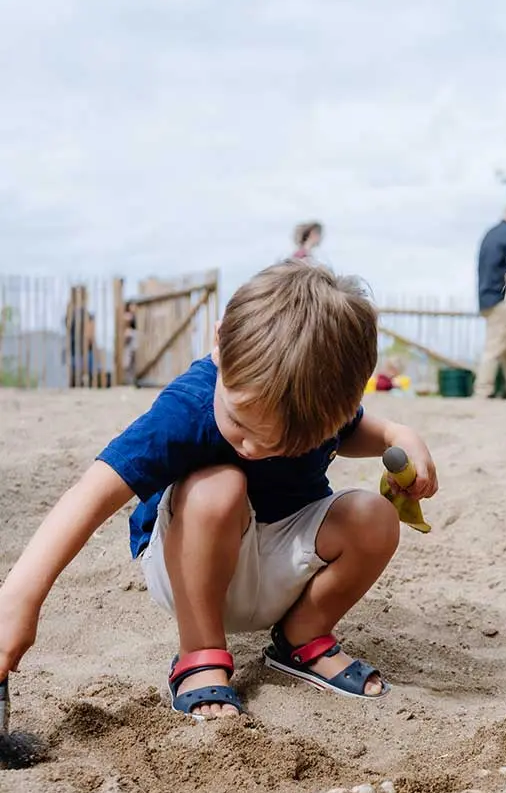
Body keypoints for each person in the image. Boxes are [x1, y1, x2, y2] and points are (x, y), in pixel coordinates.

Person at [0, 261, 438, 720]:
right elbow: (90, 495)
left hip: (282, 567)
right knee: (219, 485)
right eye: (240, 422)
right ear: (218, 340)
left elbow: (358, 430)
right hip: (190, 568)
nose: (252, 447)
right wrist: (20, 598)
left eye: (282, 442)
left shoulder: (314, 397)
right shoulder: (186, 407)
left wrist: (398, 435)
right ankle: (200, 654)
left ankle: (302, 636)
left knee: (375, 516)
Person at [476, 203, 506, 399]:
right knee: (495, 347)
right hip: (500, 298)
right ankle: (482, 390)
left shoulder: (491, 234)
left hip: (486, 297)